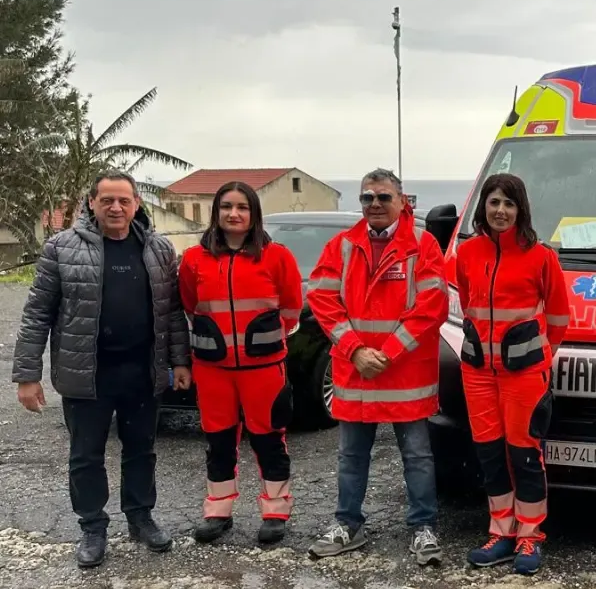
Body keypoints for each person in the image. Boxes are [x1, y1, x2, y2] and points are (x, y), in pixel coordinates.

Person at [12, 170, 192, 568]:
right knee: (86, 456)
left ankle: (140, 517)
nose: (115, 207)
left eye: (124, 200)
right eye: (107, 200)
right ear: (91, 203)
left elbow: (172, 313)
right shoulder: (62, 248)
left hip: (142, 373)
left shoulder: (158, 250)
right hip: (86, 375)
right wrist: (27, 375)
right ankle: (93, 527)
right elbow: (37, 313)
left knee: (142, 451)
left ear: (135, 205)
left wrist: (180, 361)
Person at [305, 168, 449, 565]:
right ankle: (347, 525)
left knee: (417, 456)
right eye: (367, 198)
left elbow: (432, 307)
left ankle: (423, 528)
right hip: (357, 373)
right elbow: (322, 299)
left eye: (384, 197)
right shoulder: (342, 245)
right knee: (351, 456)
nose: (375, 204)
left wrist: (386, 353)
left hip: (404, 375)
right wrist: (355, 351)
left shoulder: (424, 245)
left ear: (403, 202)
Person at [454, 173, 570, 575]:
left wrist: (539, 357)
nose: (500, 210)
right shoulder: (467, 254)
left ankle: (530, 536)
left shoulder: (541, 257)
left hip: (524, 375)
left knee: (525, 455)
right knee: (490, 455)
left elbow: (558, 318)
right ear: (483, 208)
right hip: (478, 372)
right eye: (493, 202)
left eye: (508, 203)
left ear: (521, 209)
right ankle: (500, 532)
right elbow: (467, 301)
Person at [178, 181, 303, 546]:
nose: (234, 214)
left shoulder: (277, 256)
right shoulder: (193, 259)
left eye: (242, 207)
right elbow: (189, 303)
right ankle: (218, 510)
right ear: (216, 212)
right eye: (227, 206)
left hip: (263, 369)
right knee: (218, 442)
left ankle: (276, 511)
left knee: (269, 441)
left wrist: (258, 343)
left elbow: (292, 309)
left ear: (254, 214)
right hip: (213, 369)